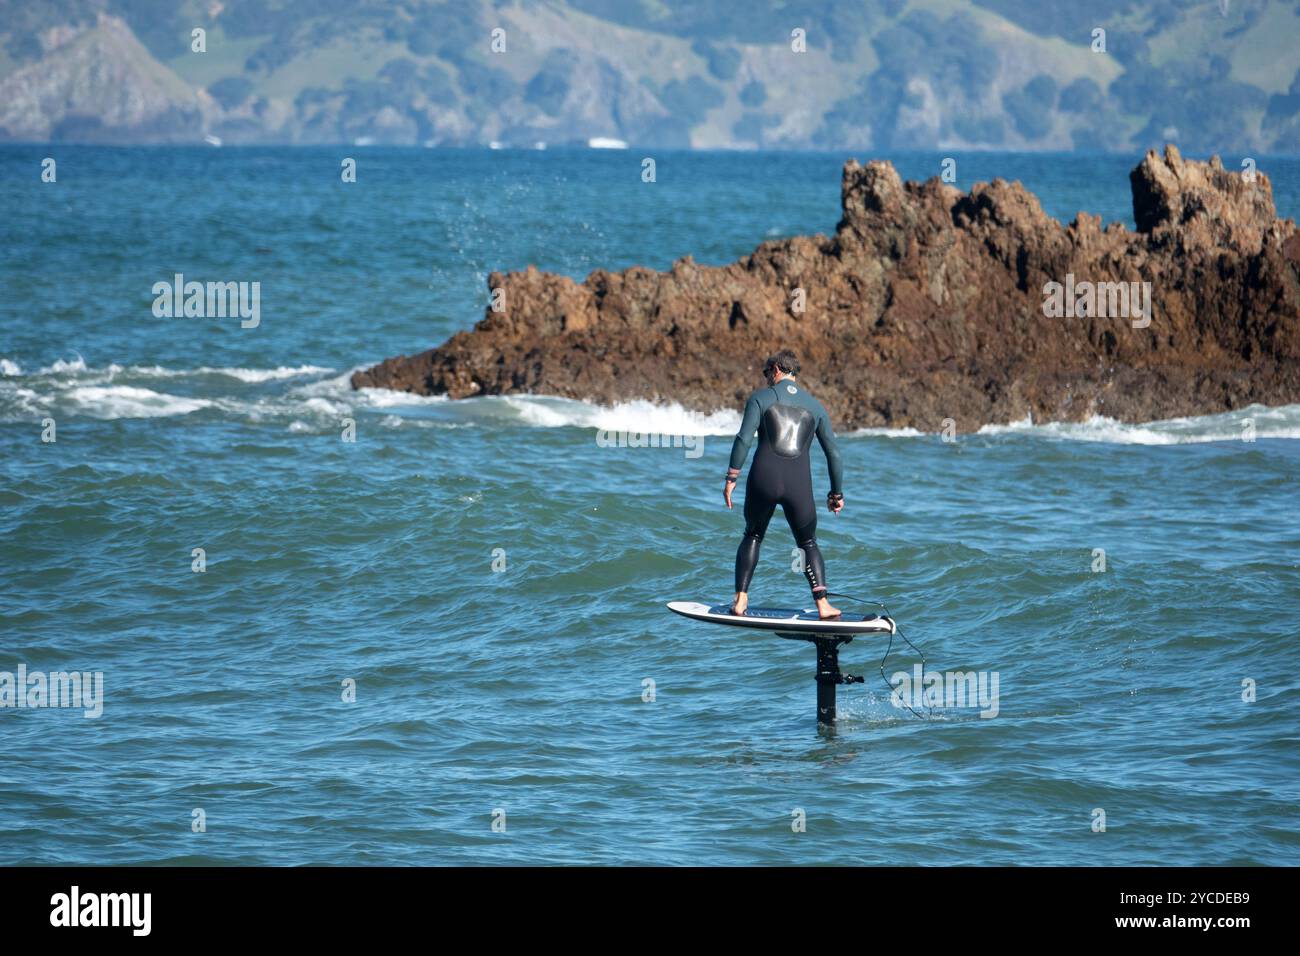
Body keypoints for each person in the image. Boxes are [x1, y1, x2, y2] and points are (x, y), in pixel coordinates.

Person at [724, 350, 844, 618]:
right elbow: (834, 453)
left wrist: (732, 477)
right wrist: (836, 493)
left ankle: (740, 602)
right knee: (808, 543)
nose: (766, 378)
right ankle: (823, 605)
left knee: (753, 535)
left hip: (763, 478)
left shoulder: (760, 398)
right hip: (798, 484)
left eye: (767, 372)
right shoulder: (816, 407)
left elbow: (743, 438)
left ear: (777, 369)